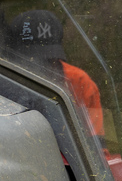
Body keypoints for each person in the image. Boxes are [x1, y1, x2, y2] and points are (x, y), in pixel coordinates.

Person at [9, 9, 104, 138]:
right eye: (34, 61)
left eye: (49, 59)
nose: (43, 67)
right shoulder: (4, 81)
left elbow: (97, 149)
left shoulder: (81, 82)